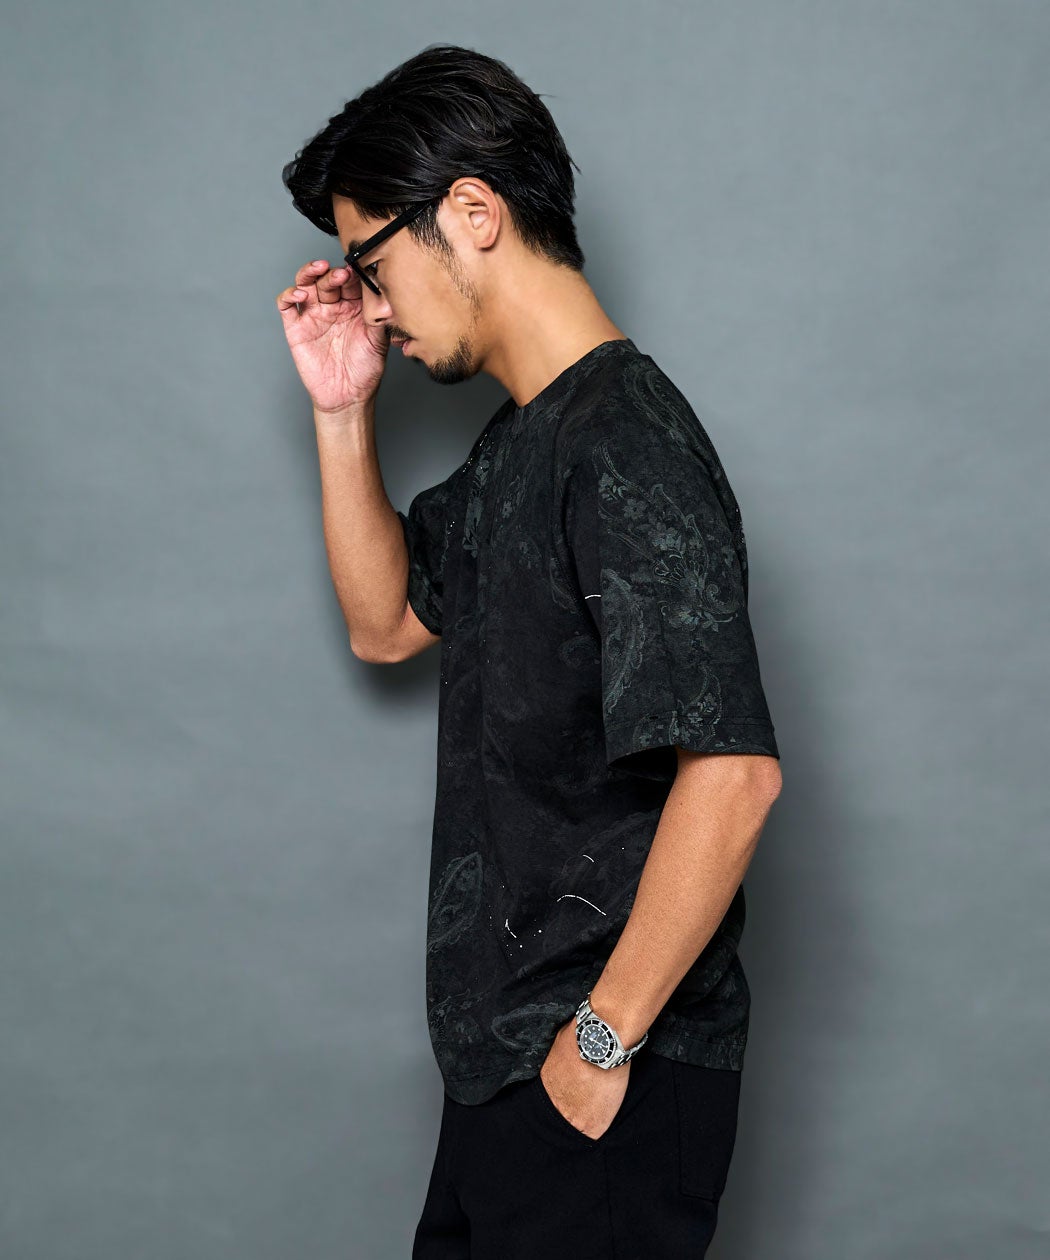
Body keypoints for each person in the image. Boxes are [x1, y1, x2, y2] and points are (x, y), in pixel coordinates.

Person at [277, 42, 782, 1260]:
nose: (373, 305)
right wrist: (342, 411)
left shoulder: (627, 439)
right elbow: (385, 623)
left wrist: (601, 1044)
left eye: (373, 265)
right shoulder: (522, 445)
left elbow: (734, 774)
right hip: (508, 1075)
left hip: (604, 1075)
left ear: (473, 211)